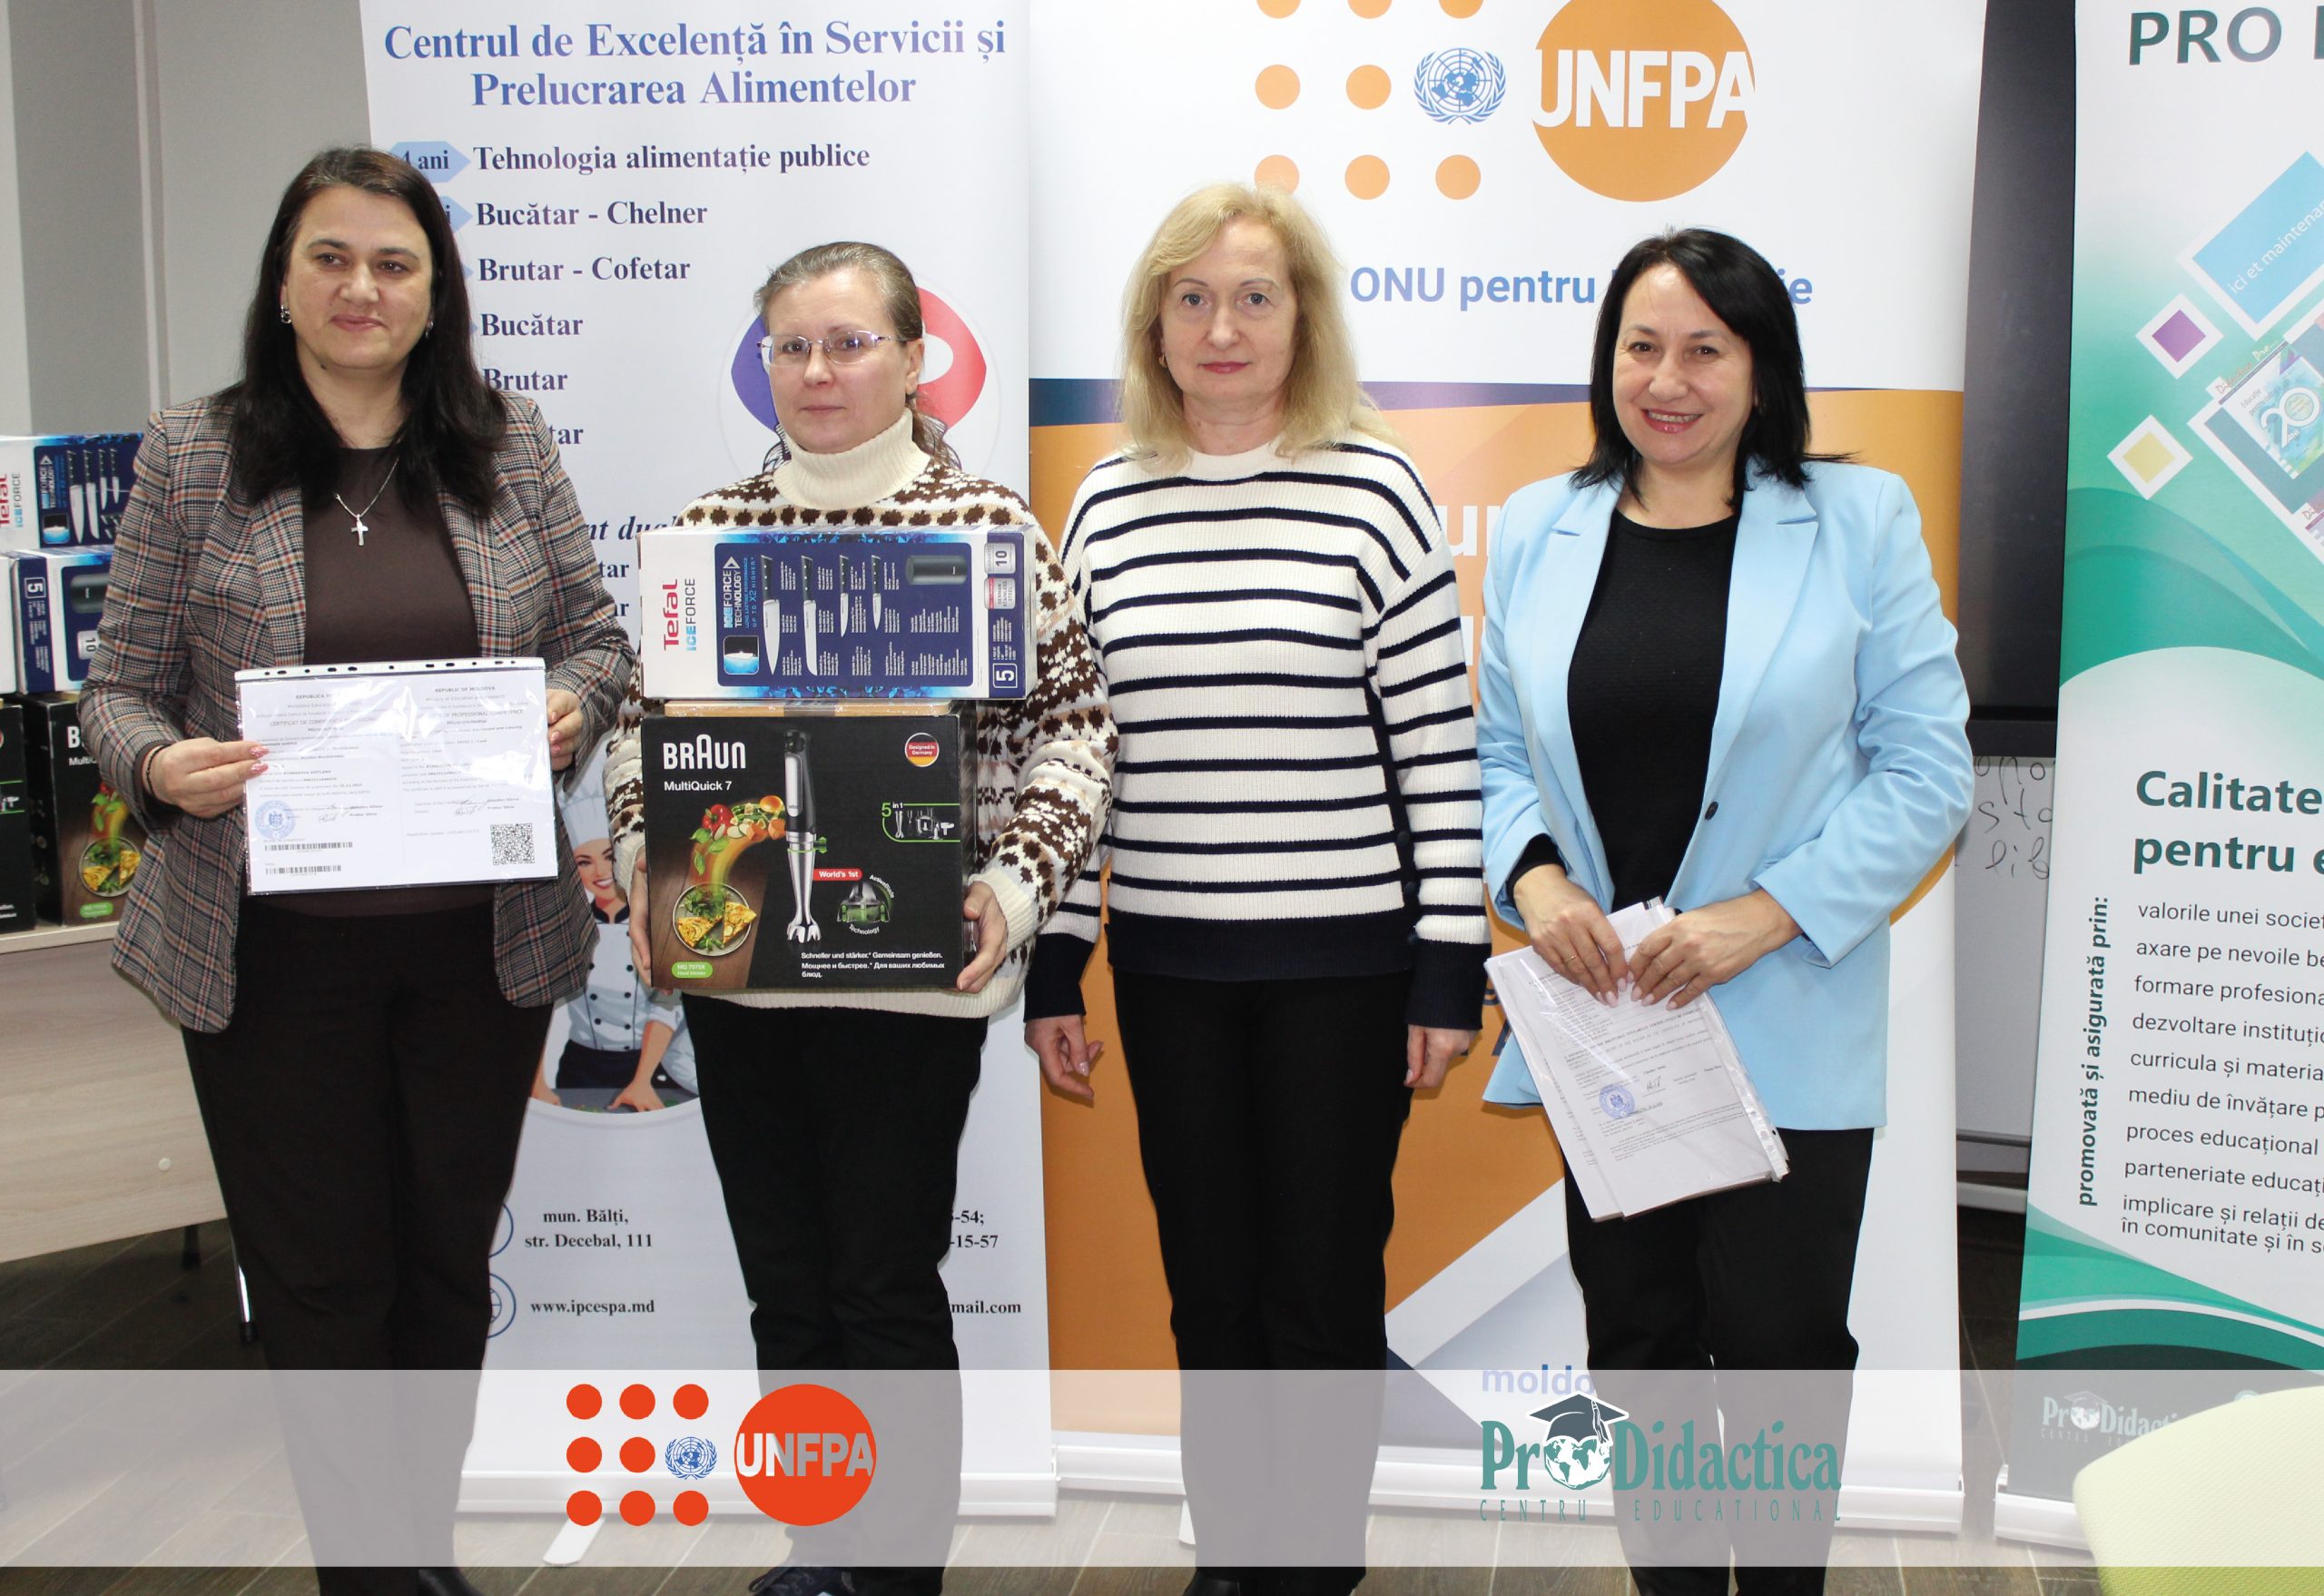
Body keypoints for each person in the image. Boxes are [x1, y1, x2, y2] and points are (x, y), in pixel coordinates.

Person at [79, 147, 631, 1595]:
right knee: (322, 1279)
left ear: (435, 292)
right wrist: (159, 766)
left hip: (478, 947)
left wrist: (570, 703)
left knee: (443, 1263)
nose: (361, 288)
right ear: (284, 281)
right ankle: (366, 1571)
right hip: (271, 952)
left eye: (394, 263)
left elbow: (597, 638)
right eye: (330, 257)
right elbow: (117, 687)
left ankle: (418, 1551)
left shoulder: (508, 444)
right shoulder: (193, 453)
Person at [605, 240, 1115, 1596]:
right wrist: (649, 864)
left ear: (912, 357)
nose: (818, 371)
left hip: (909, 977)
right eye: (792, 347)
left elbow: (1077, 734)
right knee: (786, 1289)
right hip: (741, 971)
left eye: (848, 343)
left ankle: (891, 1574)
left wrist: (1014, 887)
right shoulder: (706, 536)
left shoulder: (988, 533)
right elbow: (639, 732)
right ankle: (819, 1550)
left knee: (883, 1285)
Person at [1475, 228, 1974, 1595]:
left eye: (1706, 348)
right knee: (1637, 1347)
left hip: (1786, 1013)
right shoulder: (1539, 528)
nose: (1669, 379)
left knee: (1780, 1357)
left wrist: (1769, 912)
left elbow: (1929, 771)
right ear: (1607, 364)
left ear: (1763, 370)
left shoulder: (1858, 521)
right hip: (1611, 1026)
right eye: (1642, 346)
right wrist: (1536, 879)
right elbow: (1497, 753)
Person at [1022, 183, 1487, 1596]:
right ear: (1154, 325)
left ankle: (1315, 1564)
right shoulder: (1105, 501)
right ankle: (1233, 1556)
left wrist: (1449, 967)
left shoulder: (1376, 490)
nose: (1221, 327)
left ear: (1303, 320)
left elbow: (1438, 751)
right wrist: (1055, 962)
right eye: (1192, 298)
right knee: (1212, 1285)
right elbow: (1080, 752)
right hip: (1170, 970)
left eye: (1254, 297)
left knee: (1322, 1285)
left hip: (1345, 972)